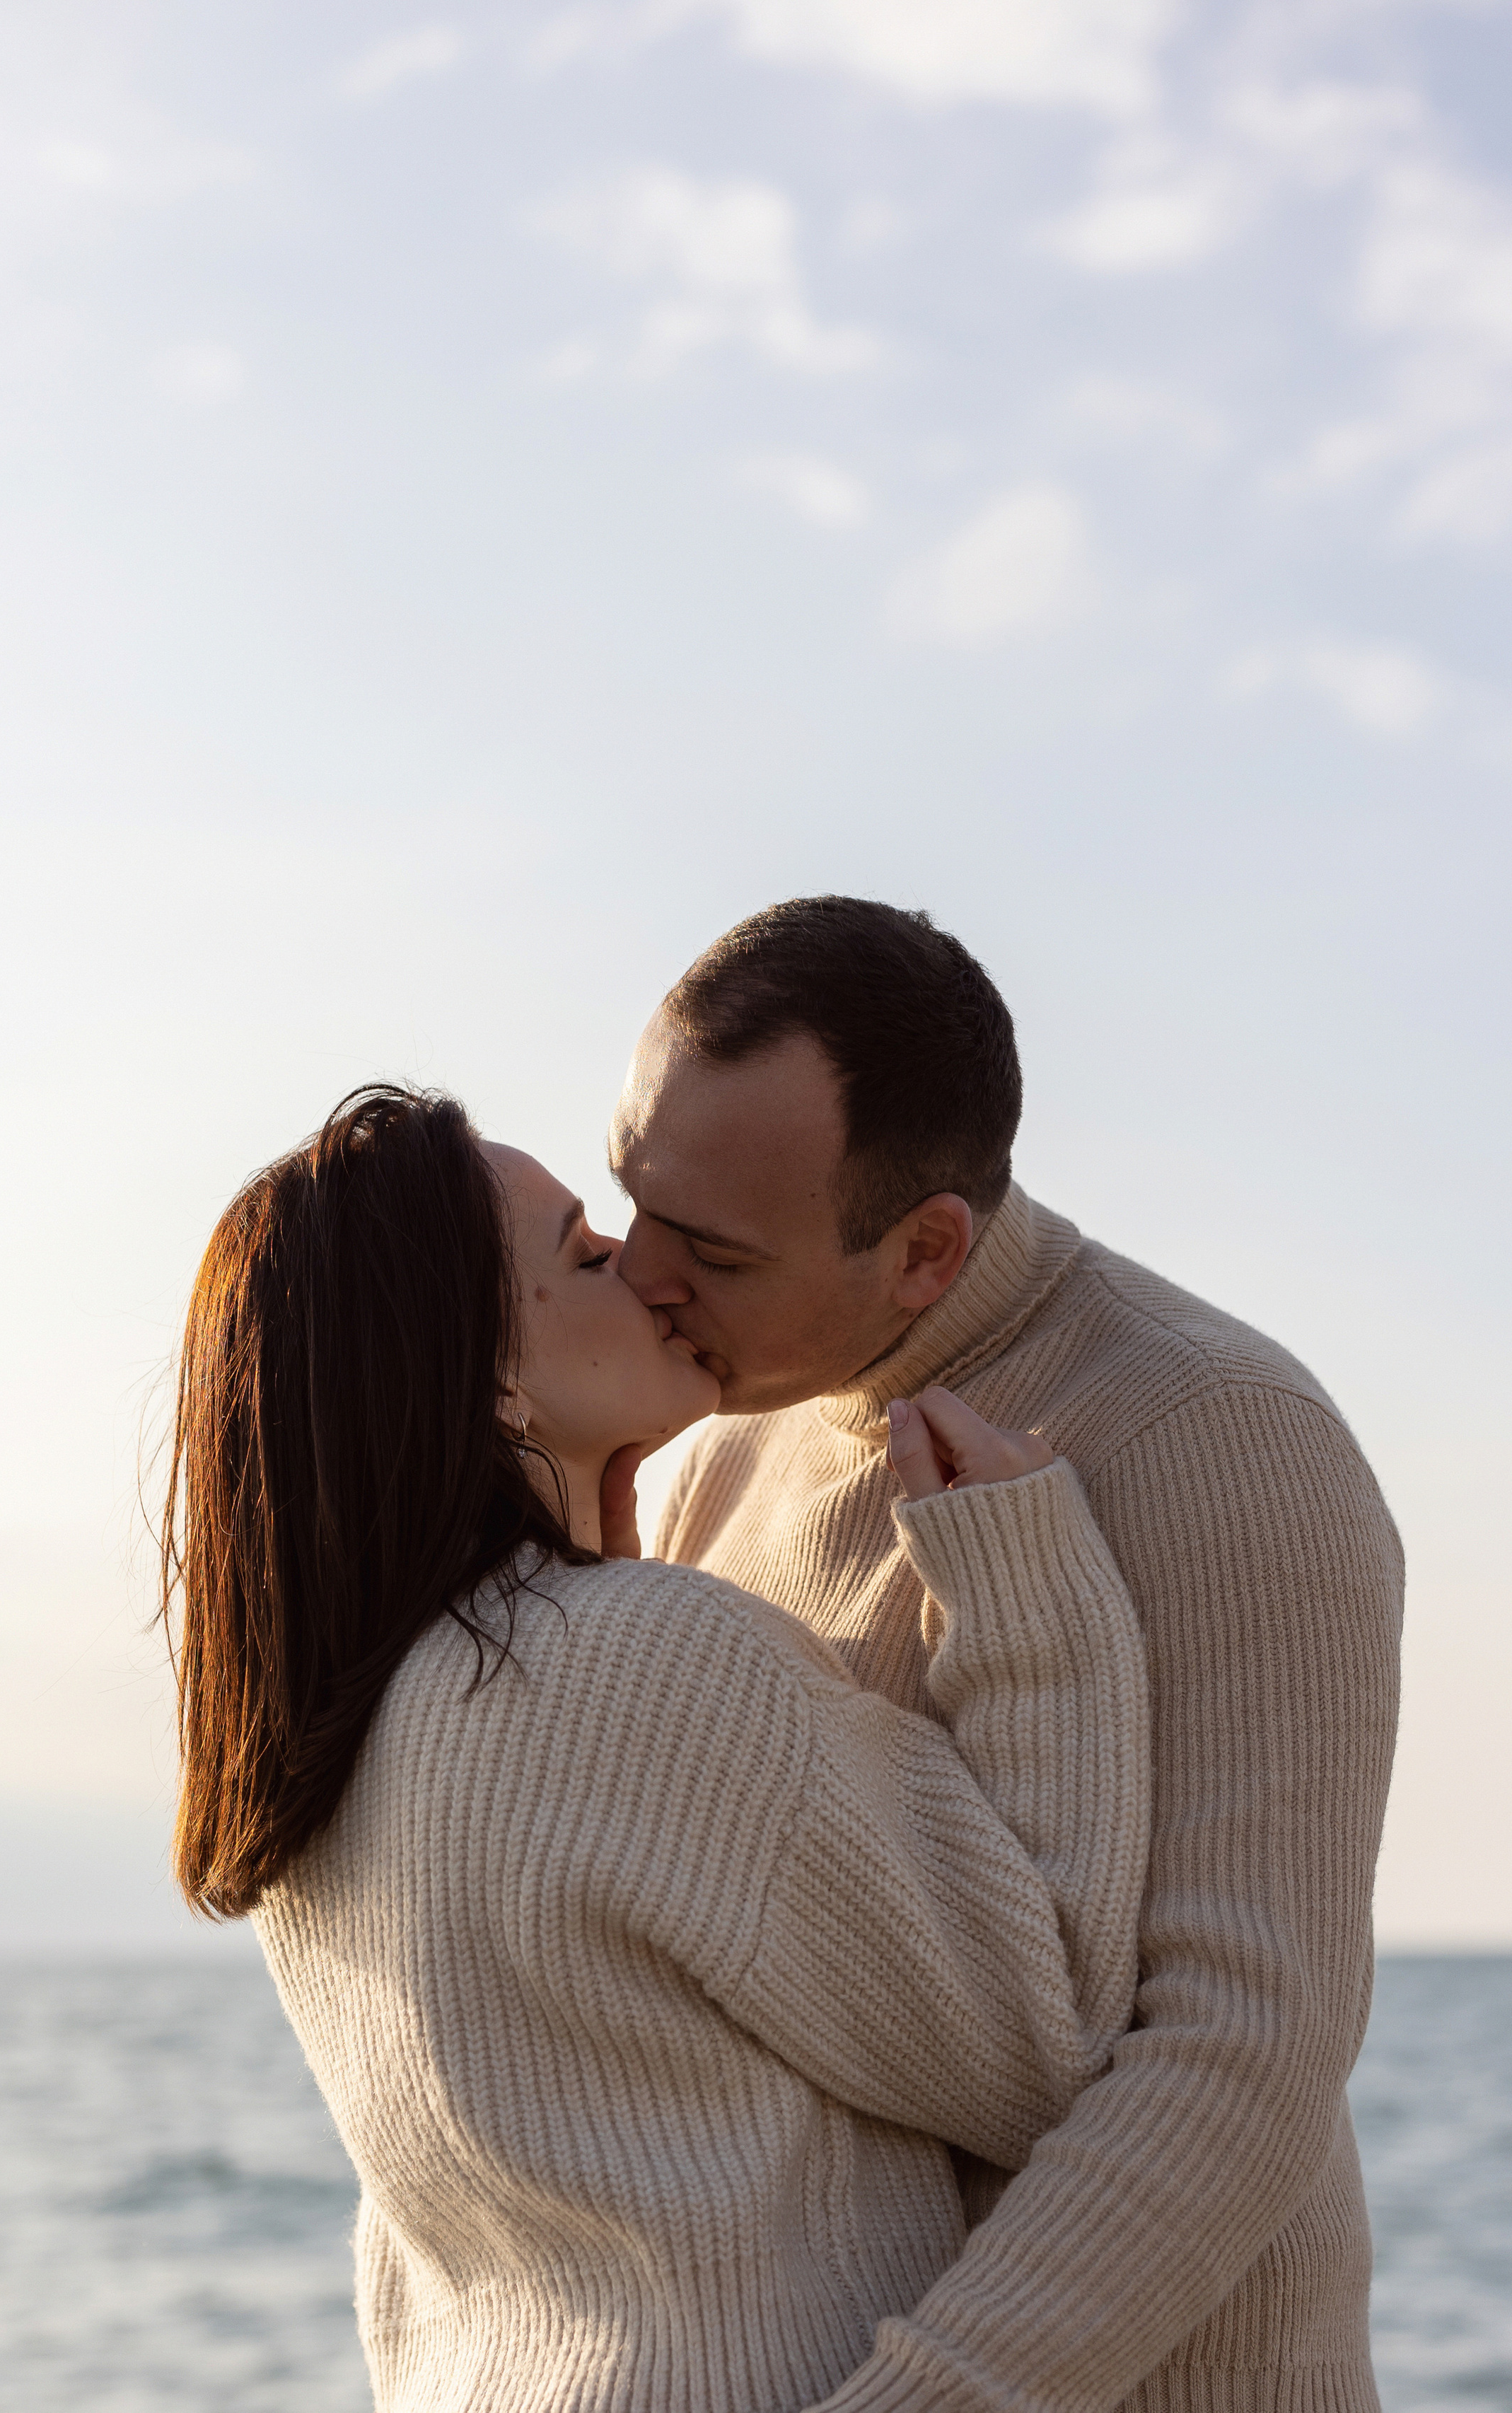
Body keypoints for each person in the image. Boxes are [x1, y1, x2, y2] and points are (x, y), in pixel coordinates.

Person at [161, 1083, 1152, 2413]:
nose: (645, 1264)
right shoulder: (634, 1660)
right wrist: (1031, 1588)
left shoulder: (325, 1751)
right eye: (583, 1253)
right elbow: (1050, 2051)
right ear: (493, 1371)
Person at [611, 894, 1403, 2413]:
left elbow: (1241, 2054)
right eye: (629, 1196)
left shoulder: (1222, 1431)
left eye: (707, 1246)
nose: (639, 1270)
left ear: (923, 1251)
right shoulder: (719, 1452)